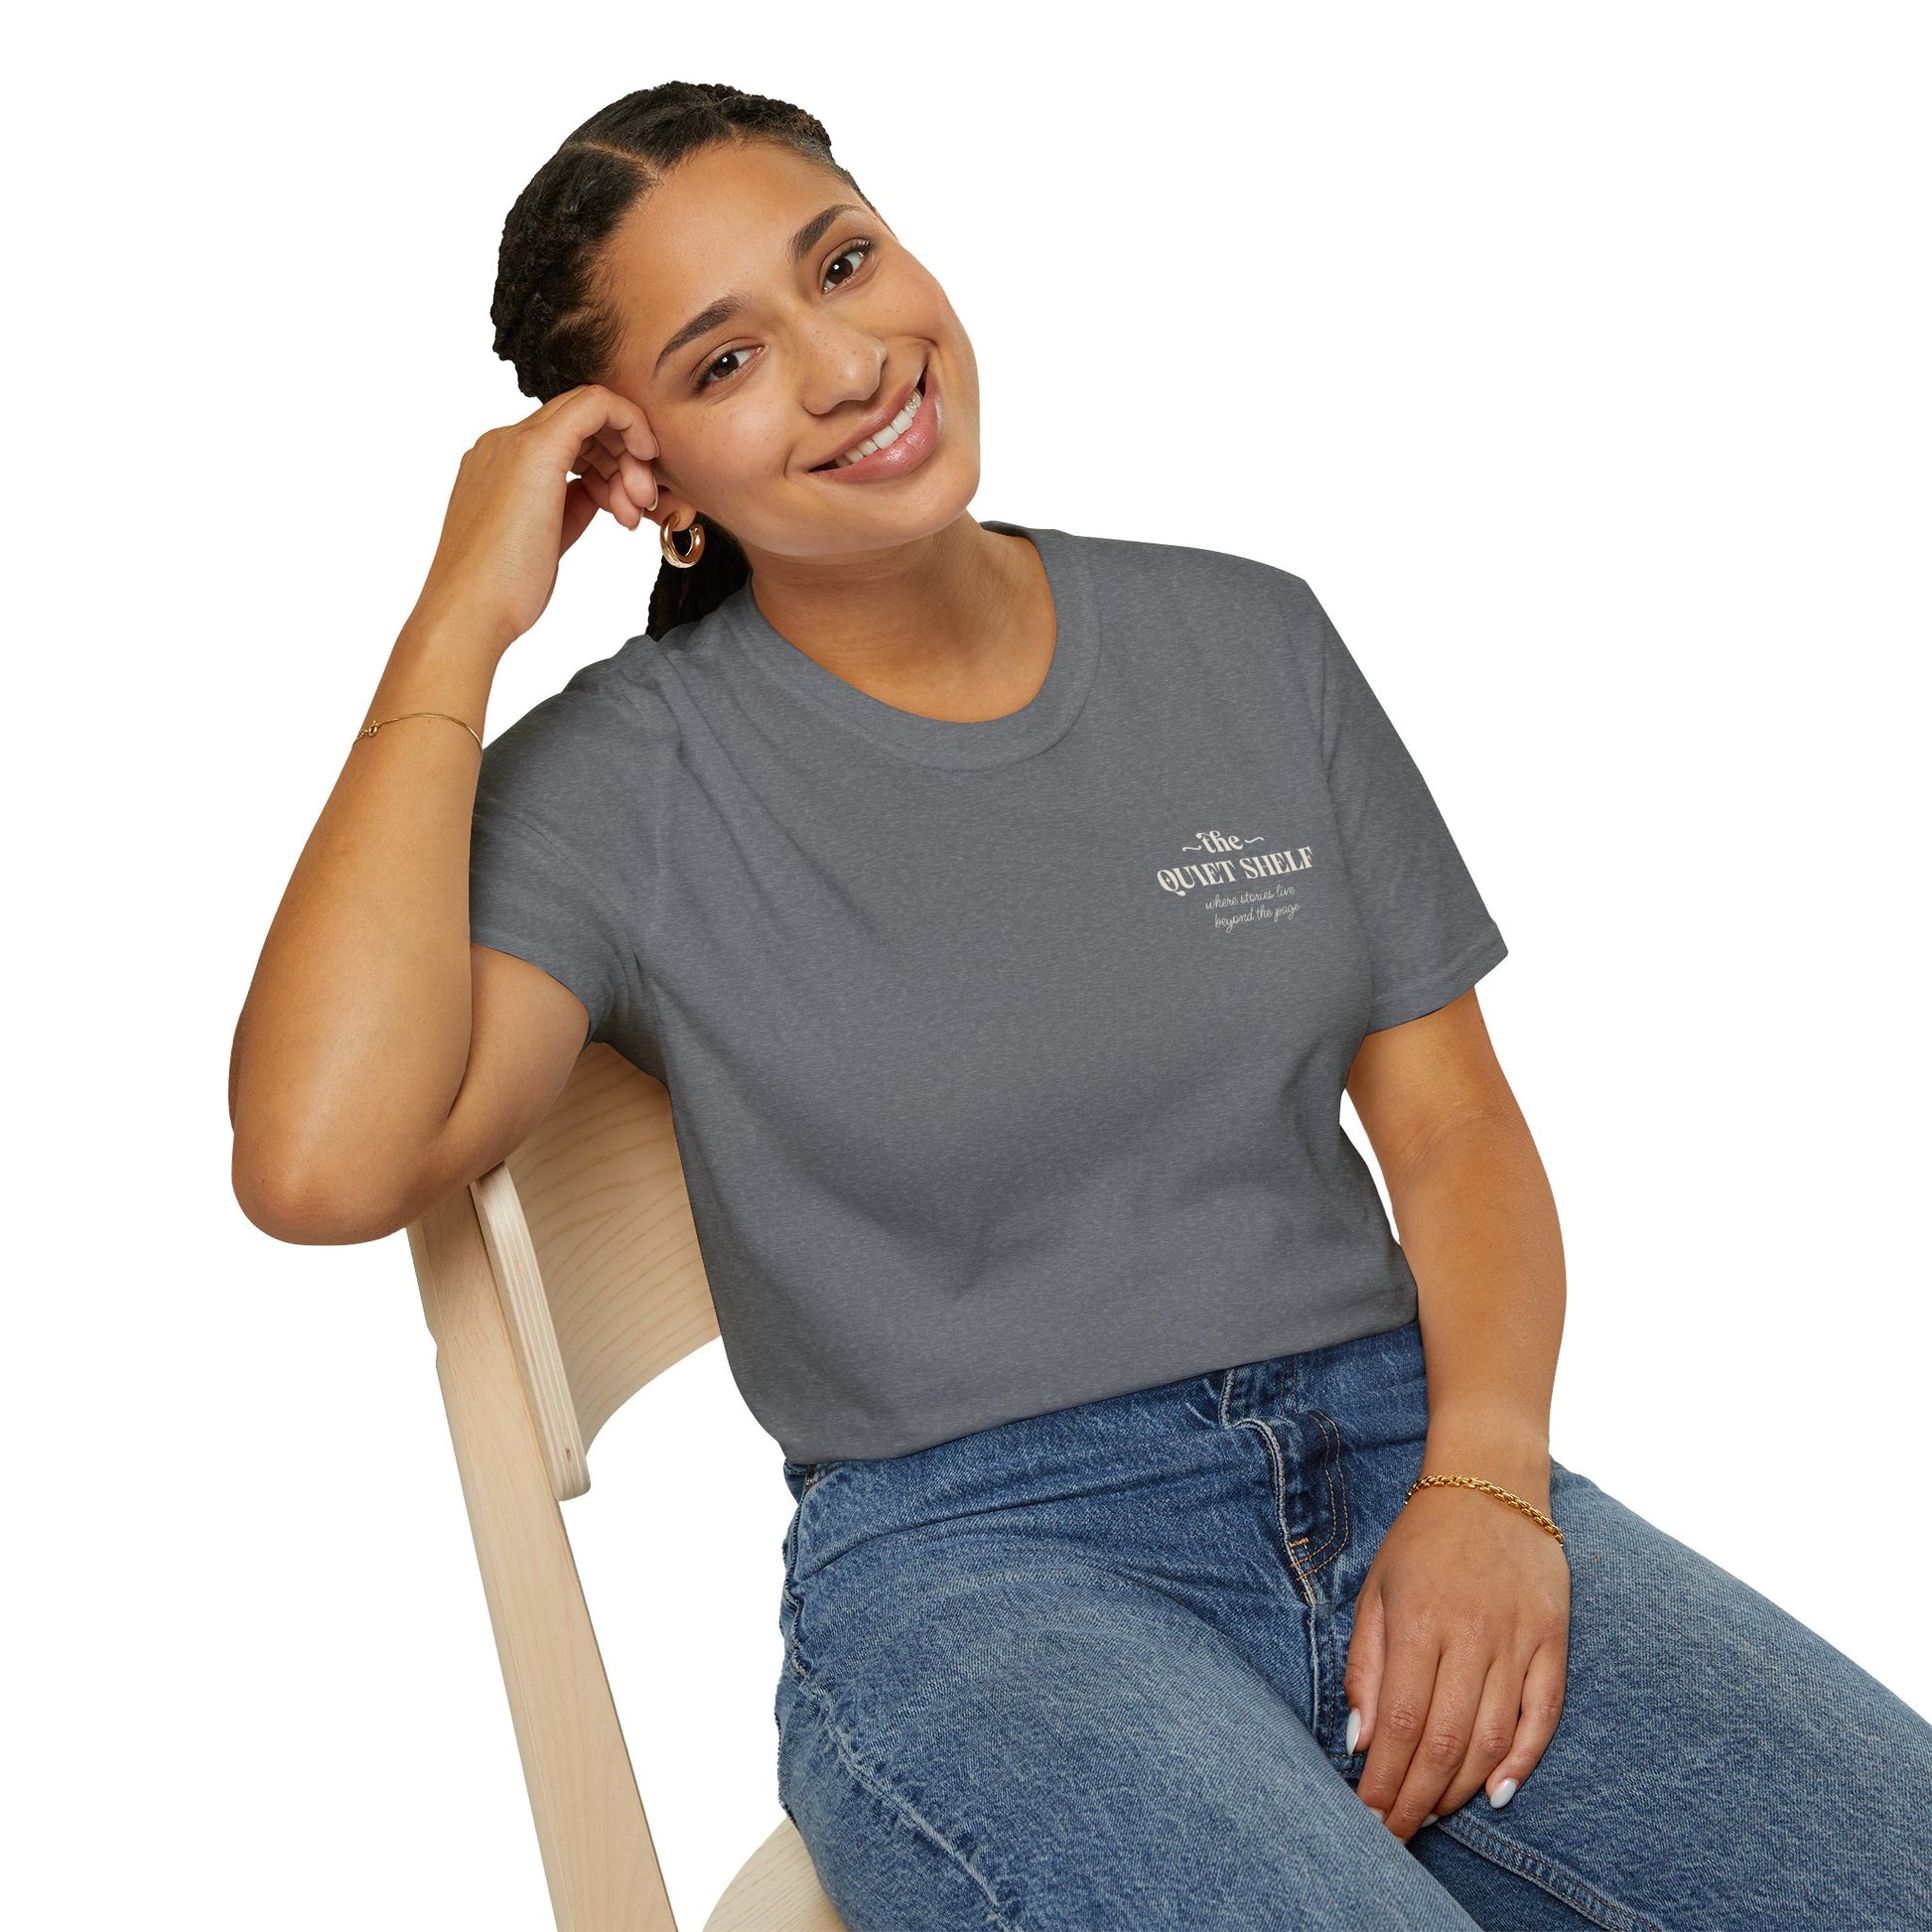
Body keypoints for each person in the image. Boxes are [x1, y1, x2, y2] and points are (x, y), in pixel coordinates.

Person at [228, 80, 1932, 1931]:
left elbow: (1450, 1132)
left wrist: (1490, 1485)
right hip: (981, 1570)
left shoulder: (1248, 640)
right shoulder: (624, 782)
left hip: (1405, 1453)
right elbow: (321, 1160)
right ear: (648, 481)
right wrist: (455, 619)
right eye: (725, 363)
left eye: (845, 263)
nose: (847, 362)